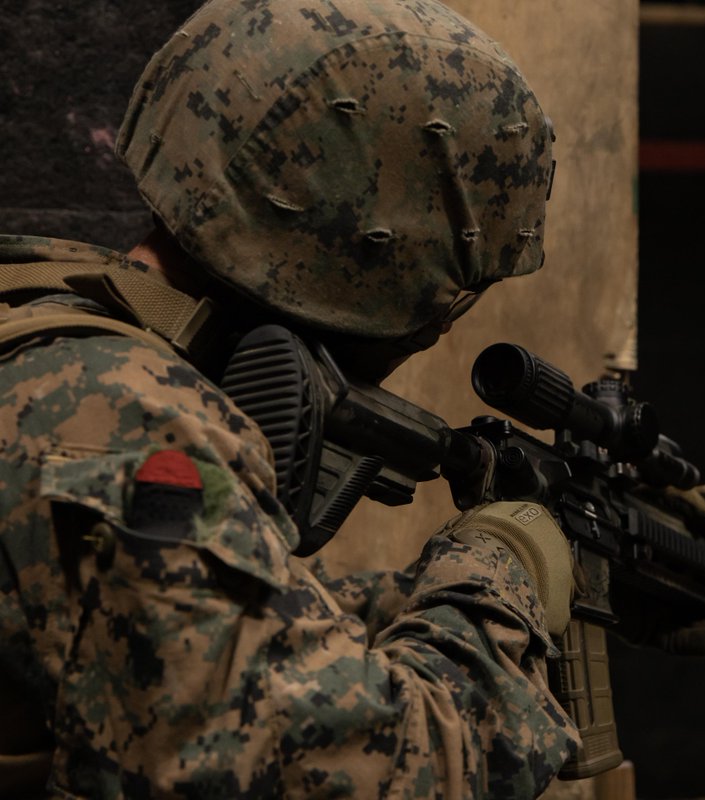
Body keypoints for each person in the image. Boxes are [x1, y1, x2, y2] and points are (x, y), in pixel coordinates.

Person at [0, 0, 580, 797]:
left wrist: (408, 597)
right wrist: (499, 569)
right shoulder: (130, 430)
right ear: (375, 259)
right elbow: (362, 771)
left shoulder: (45, 334)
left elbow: (159, 619)